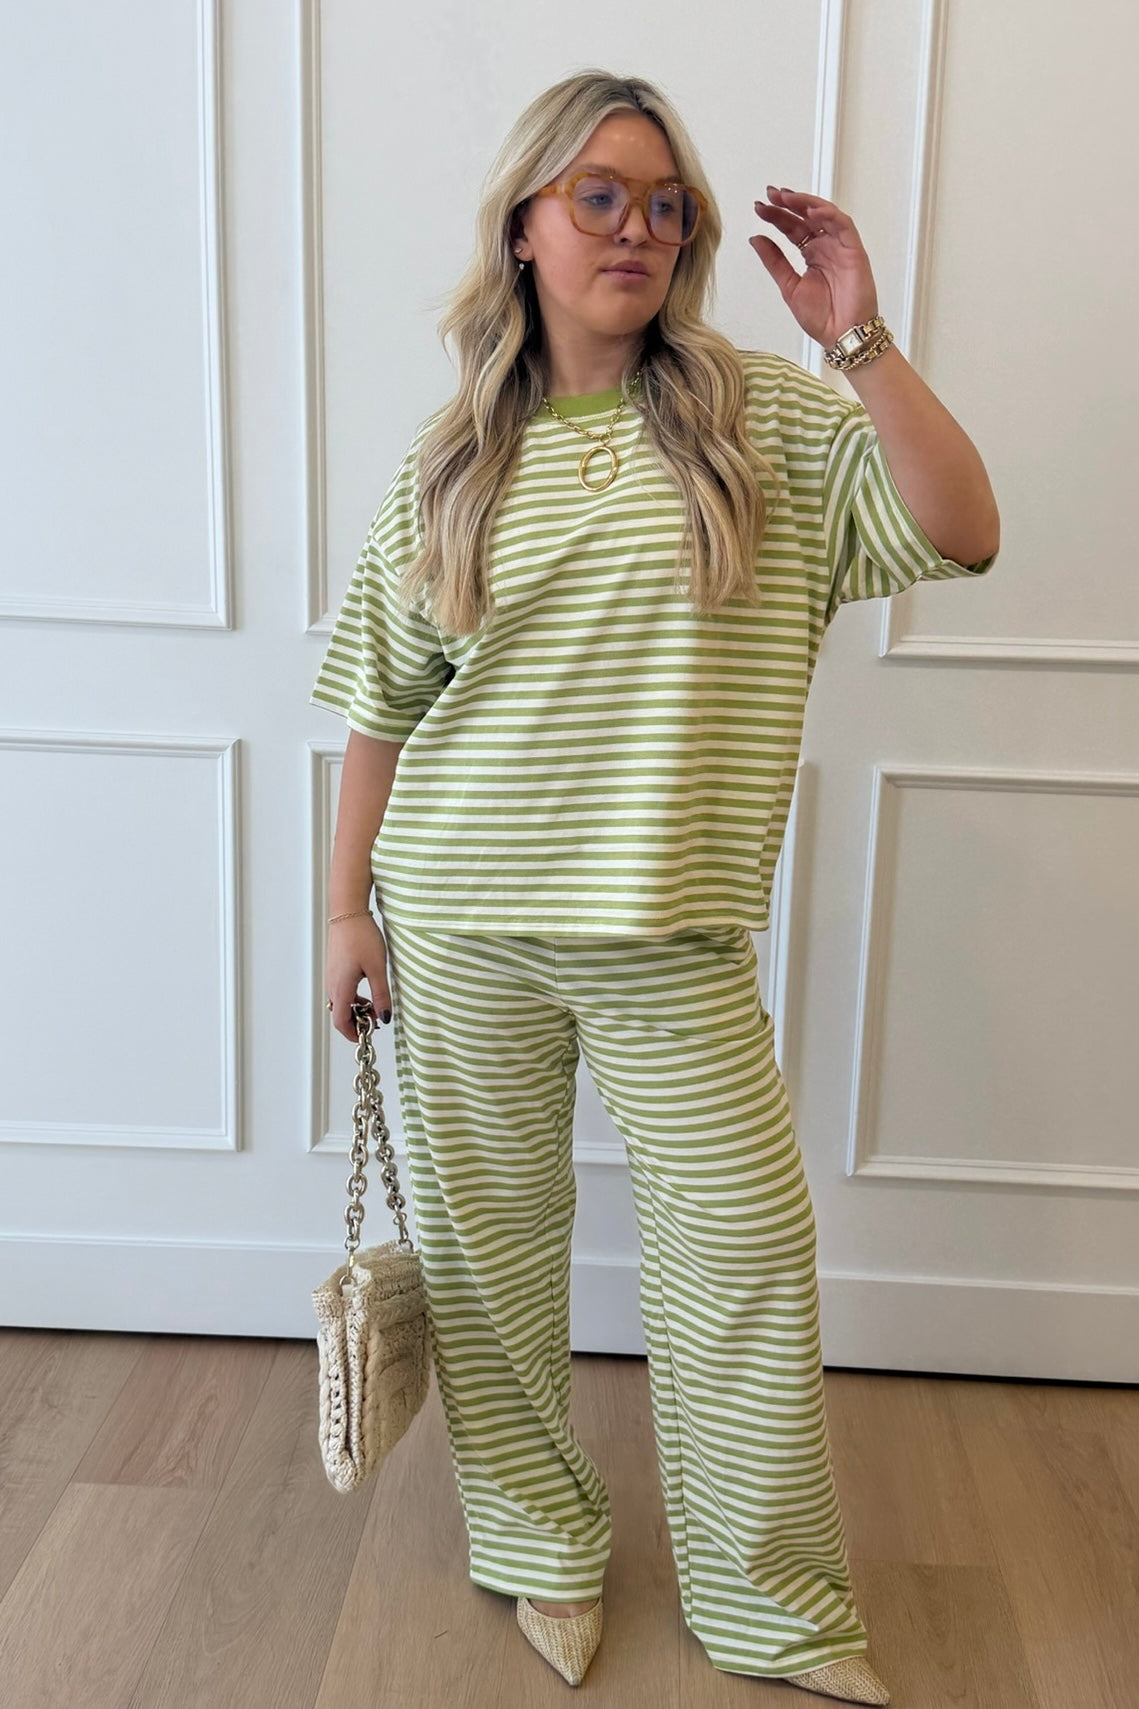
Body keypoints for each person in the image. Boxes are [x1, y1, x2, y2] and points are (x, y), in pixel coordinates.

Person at [311, 68, 999, 1706]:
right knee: (491, 1256)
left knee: (746, 1250)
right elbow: (380, 707)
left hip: (670, 941)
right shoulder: (450, 460)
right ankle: (540, 1547)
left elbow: (964, 531)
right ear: (528, 227)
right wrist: (346, 911)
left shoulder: (768, 419)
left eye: (661, 200)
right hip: (460, 921)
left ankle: (770, 1603)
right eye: (597, 195)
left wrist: (863, 337)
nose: (633, 226)